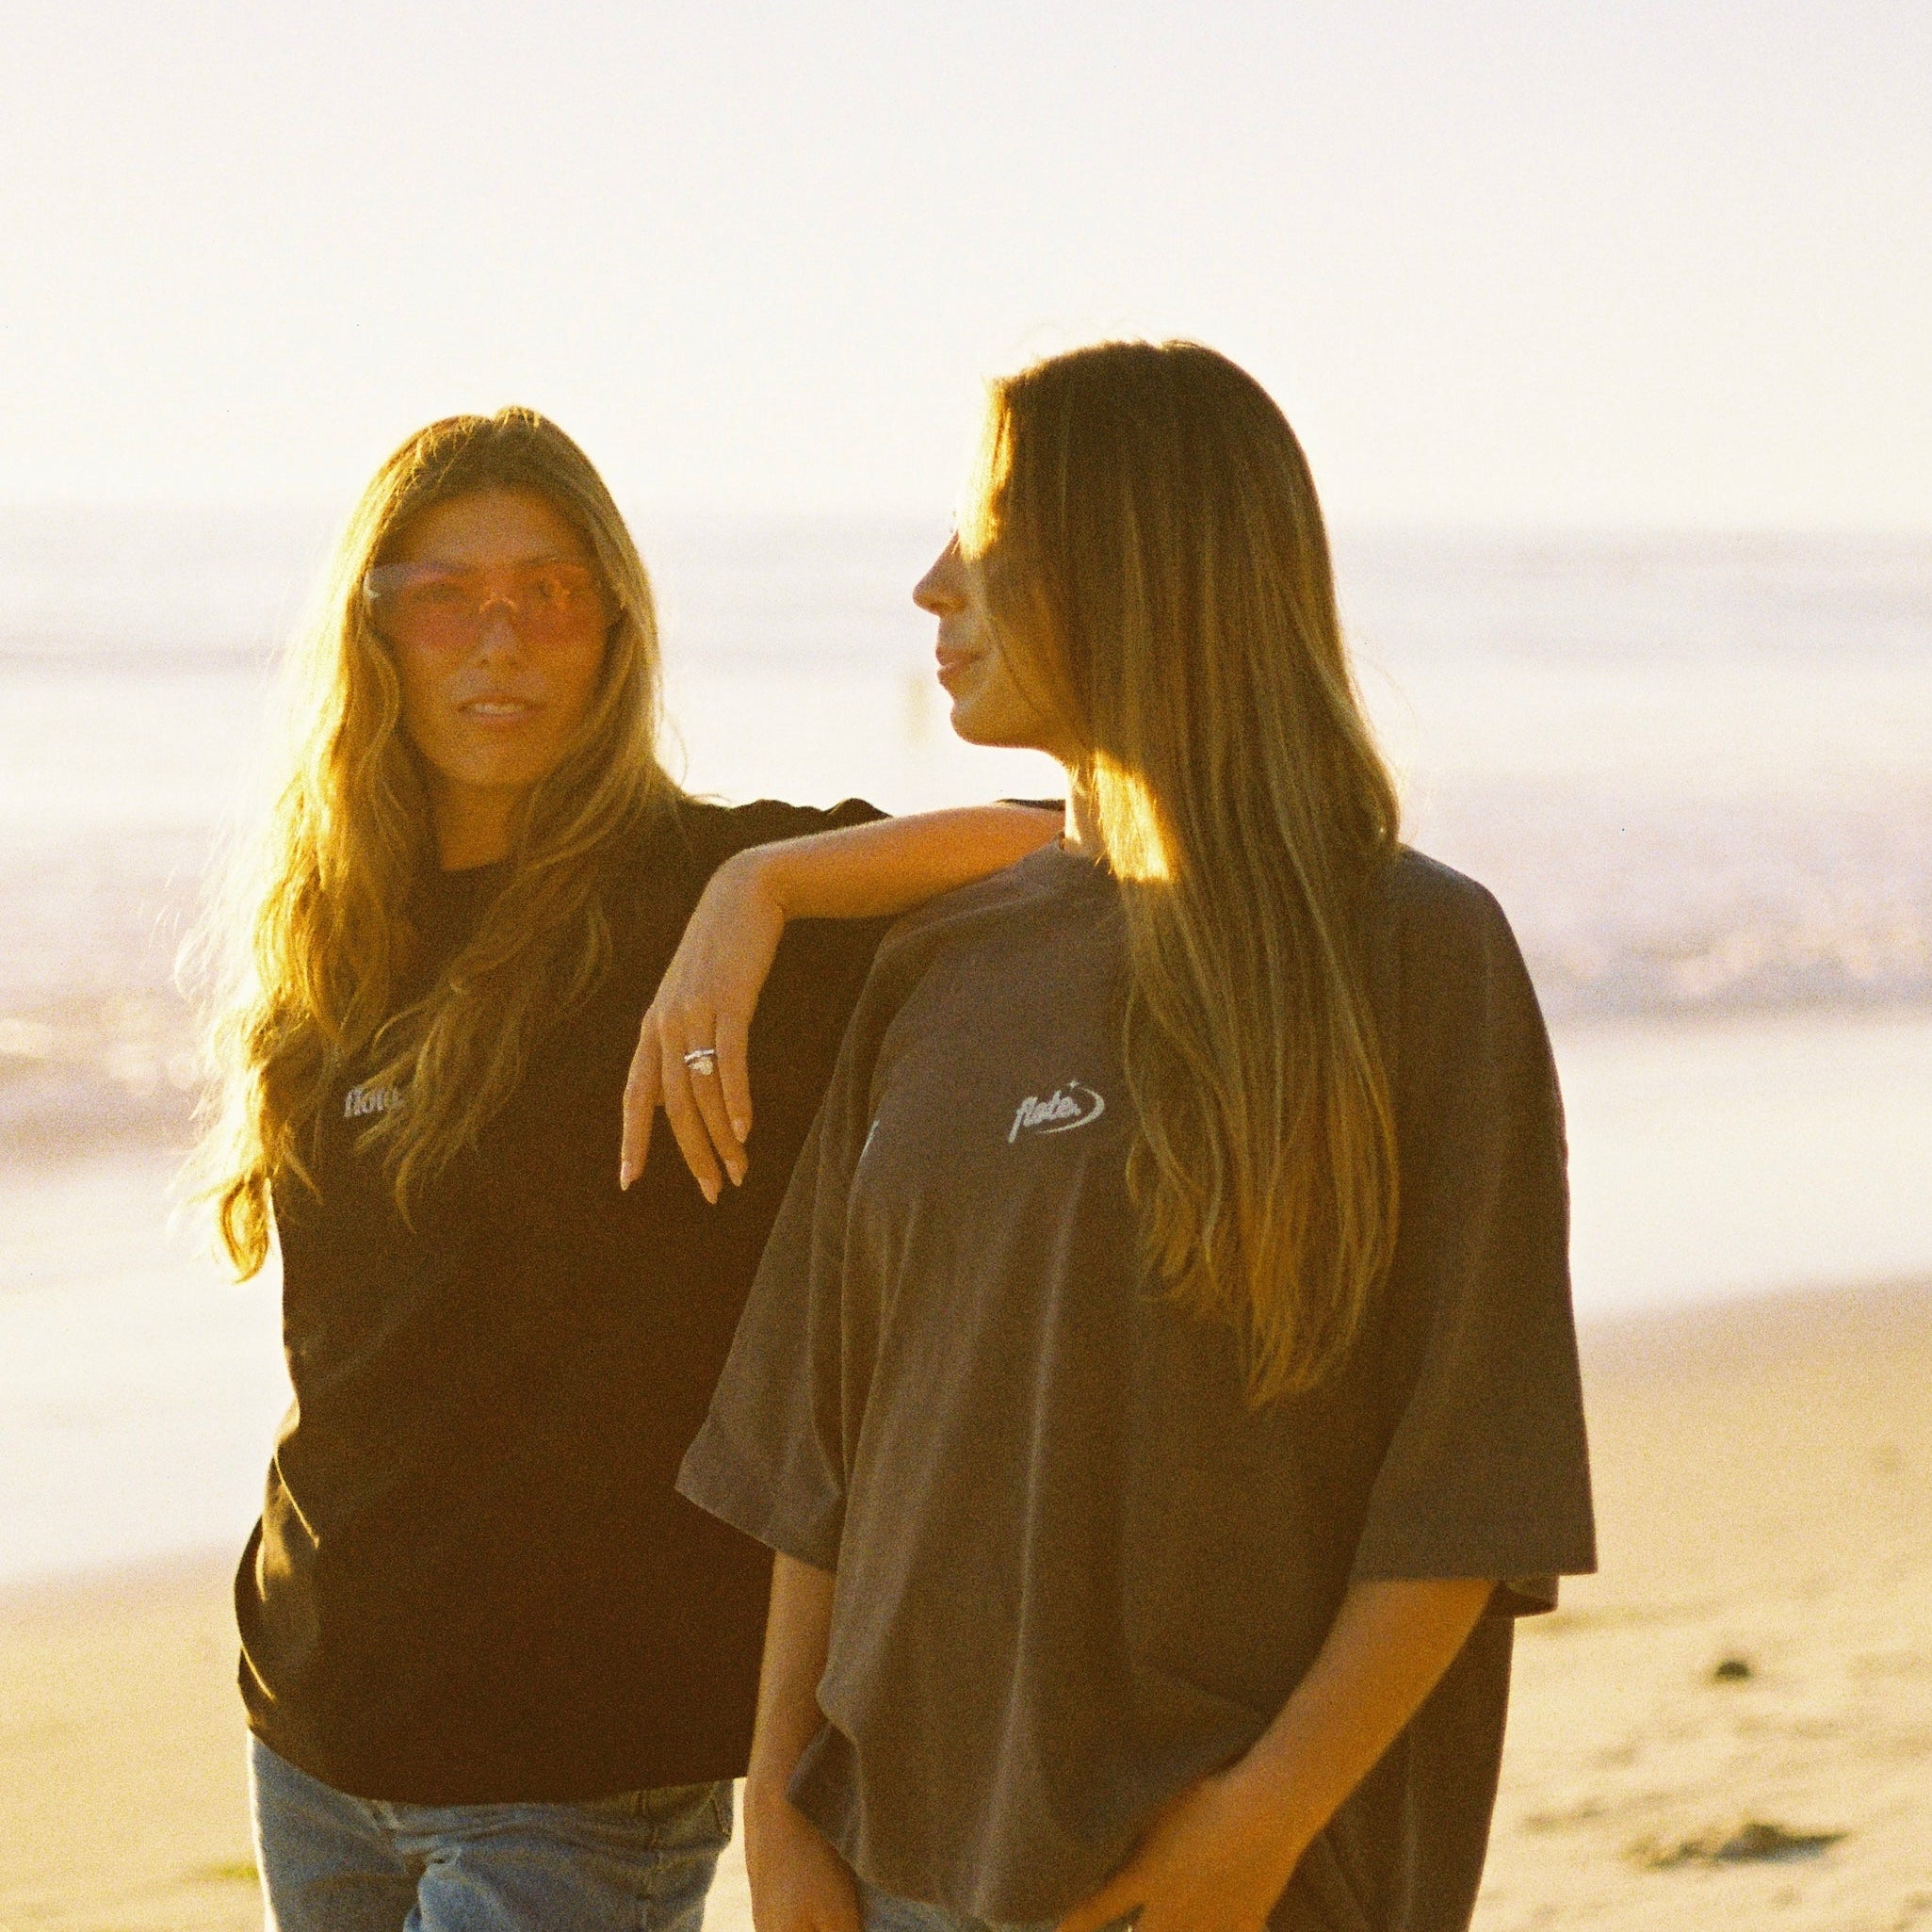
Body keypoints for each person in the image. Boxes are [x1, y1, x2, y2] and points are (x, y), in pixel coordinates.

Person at [677, 342, 1598, 1932]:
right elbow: (819, 1451)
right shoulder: (937, 964)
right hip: (894, 1862)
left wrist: (1260, 1828)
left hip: (1245, 1877)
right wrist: (779, 1807)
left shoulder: (1412, 956)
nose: (928, 586)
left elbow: (1470, 1480)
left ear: (1138, 565)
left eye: (984, 537)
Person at [193, 406, 1061, 1932]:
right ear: (372, 632)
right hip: (314, 1725)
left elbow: (1097, 840)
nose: (501, 642)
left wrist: (760, 884)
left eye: (551, 592)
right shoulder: (334, 932)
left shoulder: (708, 900)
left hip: (575, 1771)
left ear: (612, 628)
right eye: (445, 596)